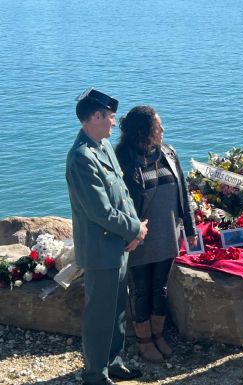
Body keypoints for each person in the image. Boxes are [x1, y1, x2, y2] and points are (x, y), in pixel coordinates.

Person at [66, 88, 148, 385]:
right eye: (111, 117)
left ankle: (113, 362)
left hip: (119, 245)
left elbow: (122, 196)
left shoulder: (103, 147)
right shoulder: (82, 157)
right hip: (102, 249)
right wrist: (135, 229)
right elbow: (100, 211)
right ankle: (94, 374)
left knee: (116, 312)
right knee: (99, 315)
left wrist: (135, 229)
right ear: (96, 116)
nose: (114, 123)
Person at [115, 105, 196, 362]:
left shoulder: (169, 153)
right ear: (144, 131)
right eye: (158, 126)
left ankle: (158, 334)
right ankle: (144, 340)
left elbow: (183, 191)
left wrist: (190, 228)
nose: (163, 129)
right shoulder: (123, 158)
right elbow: (118, 200)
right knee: (140, 290)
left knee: (160, 287)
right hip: (140, 237)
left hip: (168, 233)